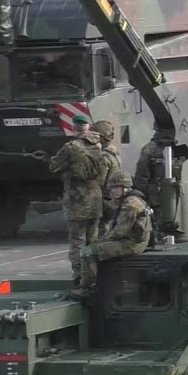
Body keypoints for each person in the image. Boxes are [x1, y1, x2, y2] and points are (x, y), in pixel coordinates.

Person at [48, 114, 107, 293]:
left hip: (76, 201)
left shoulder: (71, 147)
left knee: (77, 243)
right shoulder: (98, 144)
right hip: (96, 199)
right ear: (88, 127)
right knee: (93, 240)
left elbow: (54, 167)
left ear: (74, 128)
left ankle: (80, 278)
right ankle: (96, 276)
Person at [75, 171, 153, 299]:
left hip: (132, 244)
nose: (114, 191)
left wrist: (101, 243)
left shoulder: (130, 204)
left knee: (88, 251)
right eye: (112, 188)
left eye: (117, 187)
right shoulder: (130, 199)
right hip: (131, 241)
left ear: (126, 188)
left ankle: (88, 287)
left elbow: (120, 231)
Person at [93, 120, 123, 219]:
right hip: (115, 197)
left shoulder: (103, 157)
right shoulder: (114, 151)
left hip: (106, 199)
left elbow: (98, 183)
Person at [132, 139, 164, 209]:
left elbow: (141, 175)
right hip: (168, 198)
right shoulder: (181, 146)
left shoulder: (150, 148)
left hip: (155, 198)